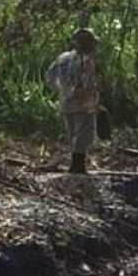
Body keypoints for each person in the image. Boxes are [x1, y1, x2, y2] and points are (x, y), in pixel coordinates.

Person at [46, 27, 102, 174]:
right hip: (83, 103)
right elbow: (88, 84)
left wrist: (61, 92)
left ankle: (75, 166)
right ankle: (78, 167)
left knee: (72, 133)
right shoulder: (87, 61)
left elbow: (50, 76)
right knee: (84, 135)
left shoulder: (63, 58)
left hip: (66, 102)